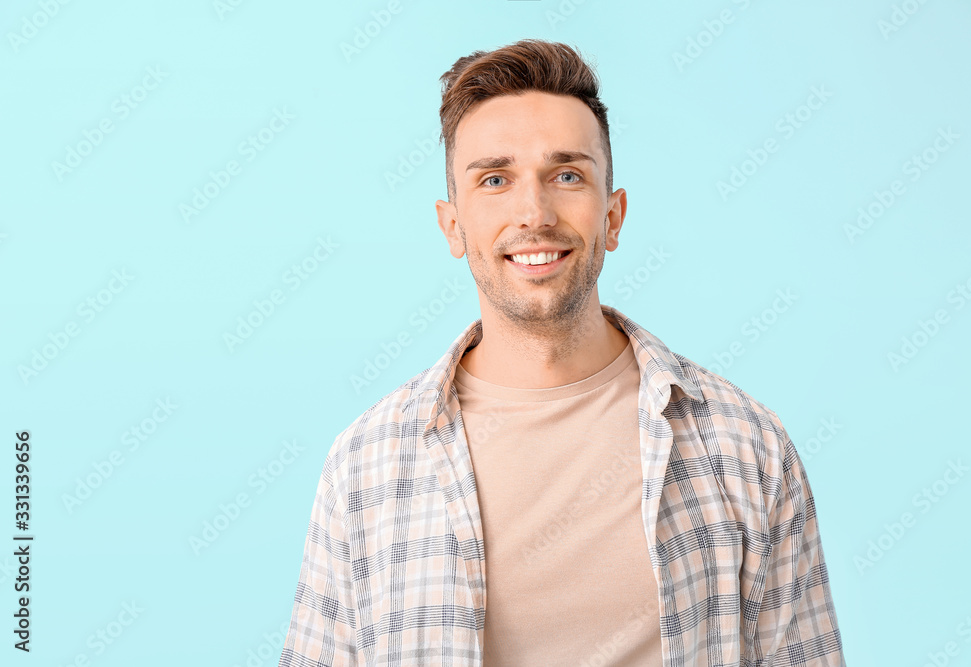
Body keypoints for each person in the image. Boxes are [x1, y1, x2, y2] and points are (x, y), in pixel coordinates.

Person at [279, 38, 845, 666]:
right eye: (495, 179)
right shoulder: (367, 464)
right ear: (452, 225)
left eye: (567, 175)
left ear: (613, 215)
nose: (534, 212)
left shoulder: (746, 448)